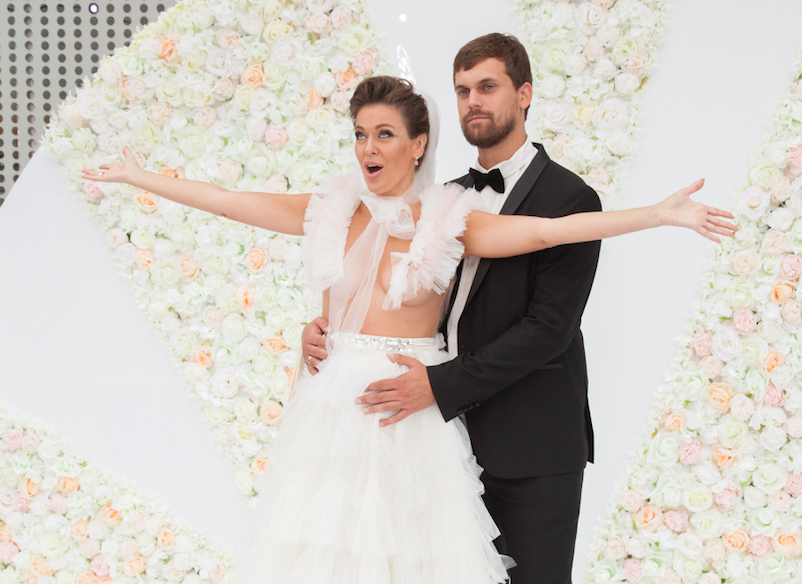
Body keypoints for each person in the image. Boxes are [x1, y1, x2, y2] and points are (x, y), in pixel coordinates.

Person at [82, 73, 733, 583]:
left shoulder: (451, 218)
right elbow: (231, 202)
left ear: (418, 144)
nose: (369, 148)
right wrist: (139, 177)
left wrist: (655, 214)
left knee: (412, 560)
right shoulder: (333, 209)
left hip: (410, 405)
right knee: (323, 557)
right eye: (360, 134)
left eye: (385, 134)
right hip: (335, 410)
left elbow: (546, 232)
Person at [298, 34, 712, 584]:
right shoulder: (441, 200)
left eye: (487, 87)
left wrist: (440, 385)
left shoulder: (571, 199)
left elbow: (549, 329)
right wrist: (331, 328)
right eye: (463, 90)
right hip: (441, 444)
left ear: (524, 94)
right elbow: (400, 296)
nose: (473, 101)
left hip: (530, 446)